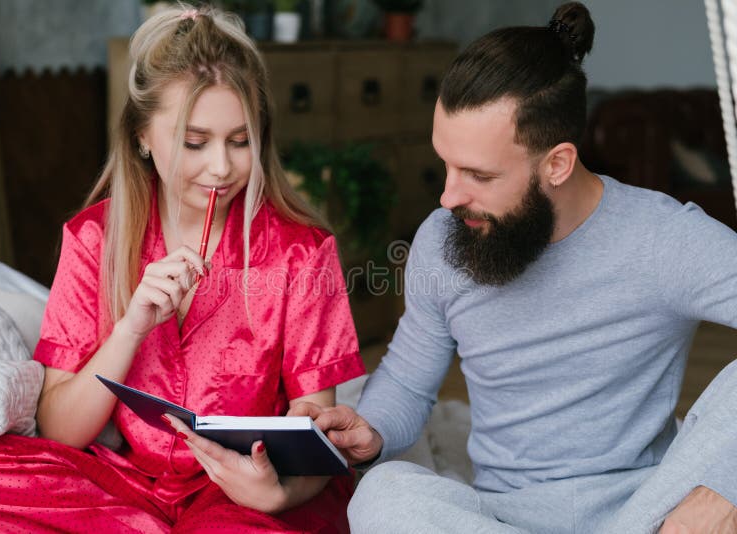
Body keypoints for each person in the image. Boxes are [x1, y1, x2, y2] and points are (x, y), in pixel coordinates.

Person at [291, 3, 737, 533]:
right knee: (382, 497)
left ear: (557, 164)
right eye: (446, 164)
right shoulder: (443, 238)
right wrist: (372, 429)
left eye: (477, 174)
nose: (448, 195)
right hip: (501, 517)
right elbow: (410, 379)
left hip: (641, 512)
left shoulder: (665, 238)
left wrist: (721, 489)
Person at [0, 4, 365, 532]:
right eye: (194, 142)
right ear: (142, 136)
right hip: (128, 485)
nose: (222, 168)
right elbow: (58, 431)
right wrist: (131, 328)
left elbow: (313, 440)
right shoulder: (93, 239)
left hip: (241, 495)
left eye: (240, 141)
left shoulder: (303, 251)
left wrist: (276, 495)